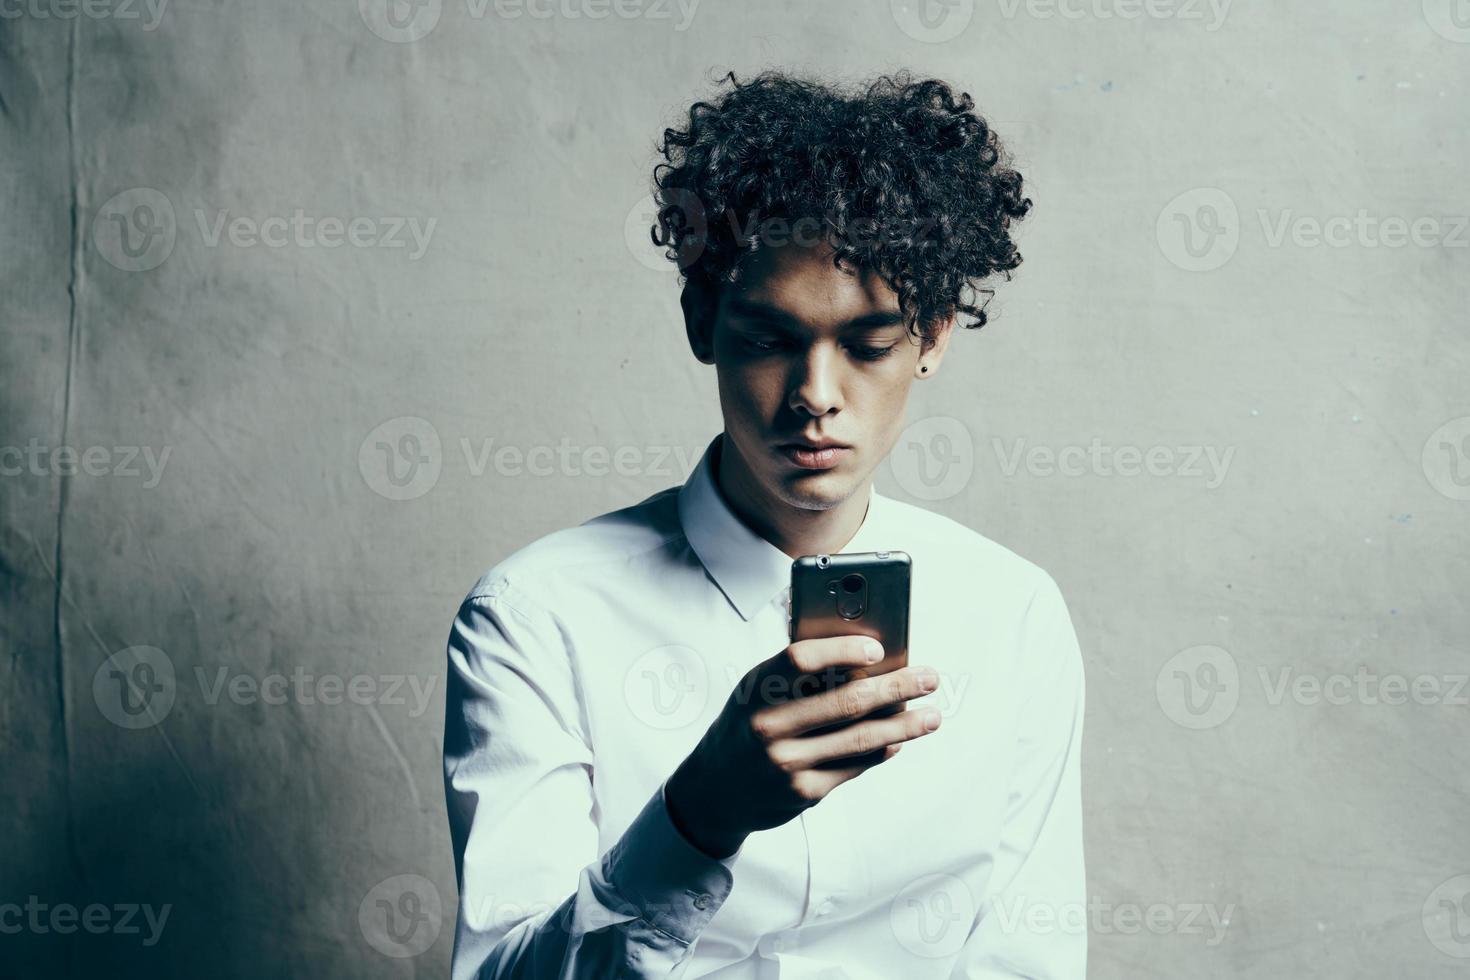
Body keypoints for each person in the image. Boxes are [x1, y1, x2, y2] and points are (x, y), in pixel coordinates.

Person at [443, 69, 1087, 979]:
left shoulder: (1013, 611)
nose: (816, 398)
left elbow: (1028, 959)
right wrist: (696, 818)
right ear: (702, 321)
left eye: (867, 345)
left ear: (934, 337)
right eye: (768, 340)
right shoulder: (534, 615)